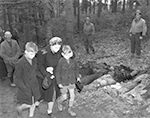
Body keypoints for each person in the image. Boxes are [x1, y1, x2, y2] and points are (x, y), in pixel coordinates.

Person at [36, 37, 62, 117]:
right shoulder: (43, 52)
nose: (57, 49)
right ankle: (40, 102)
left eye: (59, 47)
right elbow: (39, 65)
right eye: (55, 47)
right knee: (46, 90)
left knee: (54, 91)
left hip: (56, 73)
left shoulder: (60, 51)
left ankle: (50, 109)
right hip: (45, 74)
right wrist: (46, 71)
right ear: (51, 45)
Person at [14, 42, 41, 118]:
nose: (33, 56)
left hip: (34, 85)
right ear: (26, 52)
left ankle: (30, 116)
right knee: (29, 104)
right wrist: (24, 88)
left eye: (35, 54)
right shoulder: (20, 63)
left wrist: (44, 76)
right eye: (31, 54)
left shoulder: (34, 59)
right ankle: (20, 108)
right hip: (25, 86)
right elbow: (17, 78)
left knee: (34, 103)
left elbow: (36, 70)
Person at [56, 45, 81, 117]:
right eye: (67, 54)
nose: (69, 55)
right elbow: (57, 72)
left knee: (72, 96)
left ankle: (70, 109)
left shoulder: (73, 60)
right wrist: (59, 83)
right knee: (64, 97)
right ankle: (59, 101)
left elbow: (76, 69)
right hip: (63, 82)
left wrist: (77, 76)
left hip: (72, 80)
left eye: (70, 53)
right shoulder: (60, 61)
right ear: (63, 54)